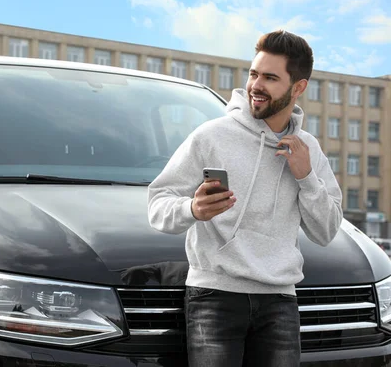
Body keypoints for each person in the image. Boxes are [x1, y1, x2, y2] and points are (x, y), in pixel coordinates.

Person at [147, 30, 343, 367]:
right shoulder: (212, 135)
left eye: (270, 77)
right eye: (253, 74)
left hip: (280, 301)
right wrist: (191, 208)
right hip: (214, 296)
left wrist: (306, 176)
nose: (256, 85)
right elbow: (157, 204)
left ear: (298, 87)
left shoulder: (308, 150)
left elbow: (325, 231)